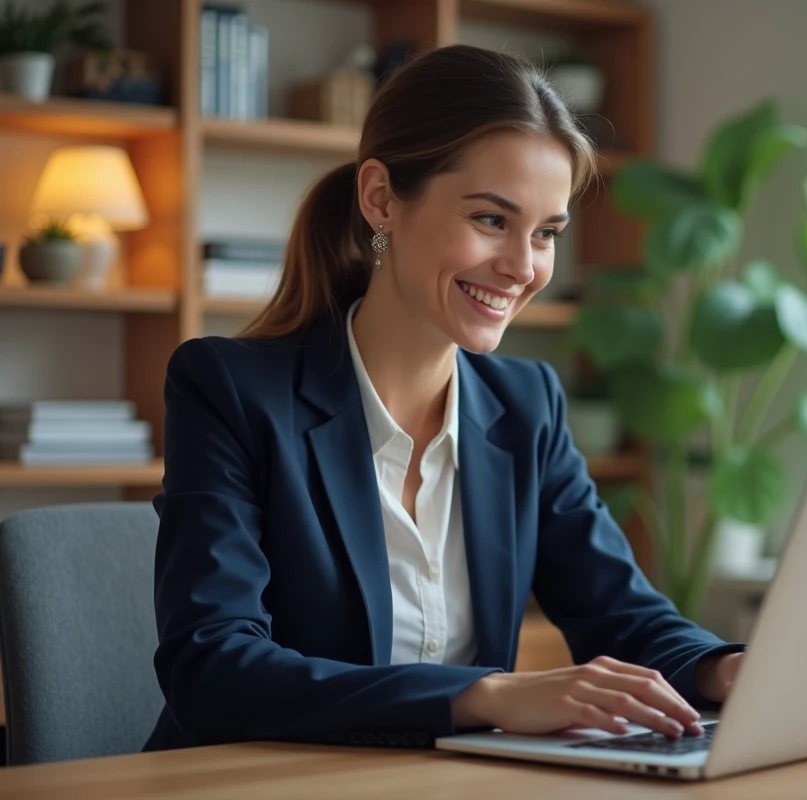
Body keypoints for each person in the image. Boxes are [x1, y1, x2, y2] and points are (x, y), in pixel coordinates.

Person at [145, 44, 744, 752]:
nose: (523, 268)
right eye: (491, 220)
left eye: (546, 234)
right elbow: (213, 667)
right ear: (381, 200)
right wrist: (481, 694)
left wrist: (732, 670)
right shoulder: (231, 391)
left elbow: (622, 612)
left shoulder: (527, 405)